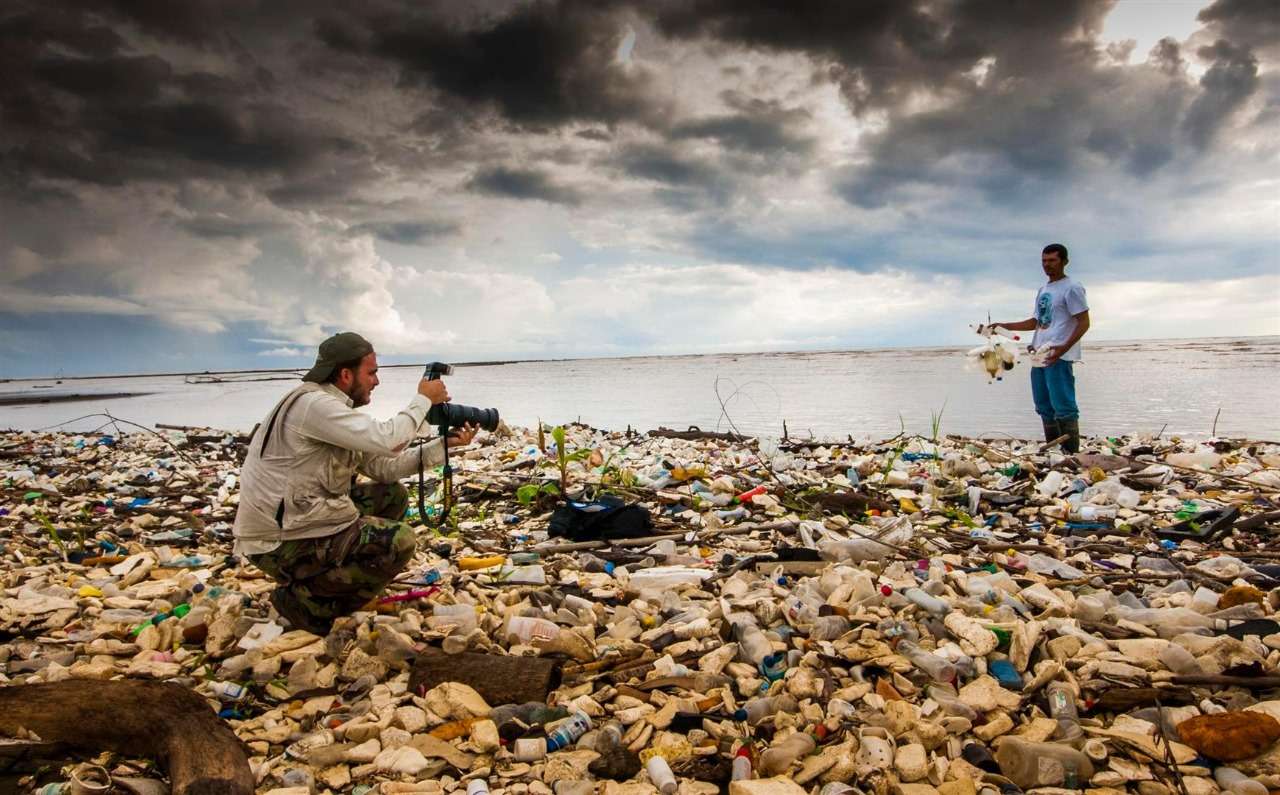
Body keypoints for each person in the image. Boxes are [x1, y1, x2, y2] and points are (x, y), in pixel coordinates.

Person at [232, 331, 478, 634]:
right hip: (277, 540)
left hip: (298, 520)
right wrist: (423, 399)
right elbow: (389, 440)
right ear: (346, 374)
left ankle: (327, 583)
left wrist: (443, 445)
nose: (377, 381)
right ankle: (305, 603)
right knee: (400, 541)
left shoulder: (331, 410)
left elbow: (384, 467)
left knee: (392, 495)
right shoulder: (313, 405)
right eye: (371, 373)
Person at [984, 243, 1091, 453]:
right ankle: (1054, 449)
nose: (1047, 265)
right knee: (1043, 404)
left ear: (1064, 262)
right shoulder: (1044, 290)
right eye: (1044, 261)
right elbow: (1036, 321)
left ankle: (1071, 451)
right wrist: (1004, 326)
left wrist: (1063, 348)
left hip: (1057, 354)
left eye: (1052, 260)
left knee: (1063, 404)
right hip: (1039, 353)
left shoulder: (1072, 287)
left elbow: (1084, 322)